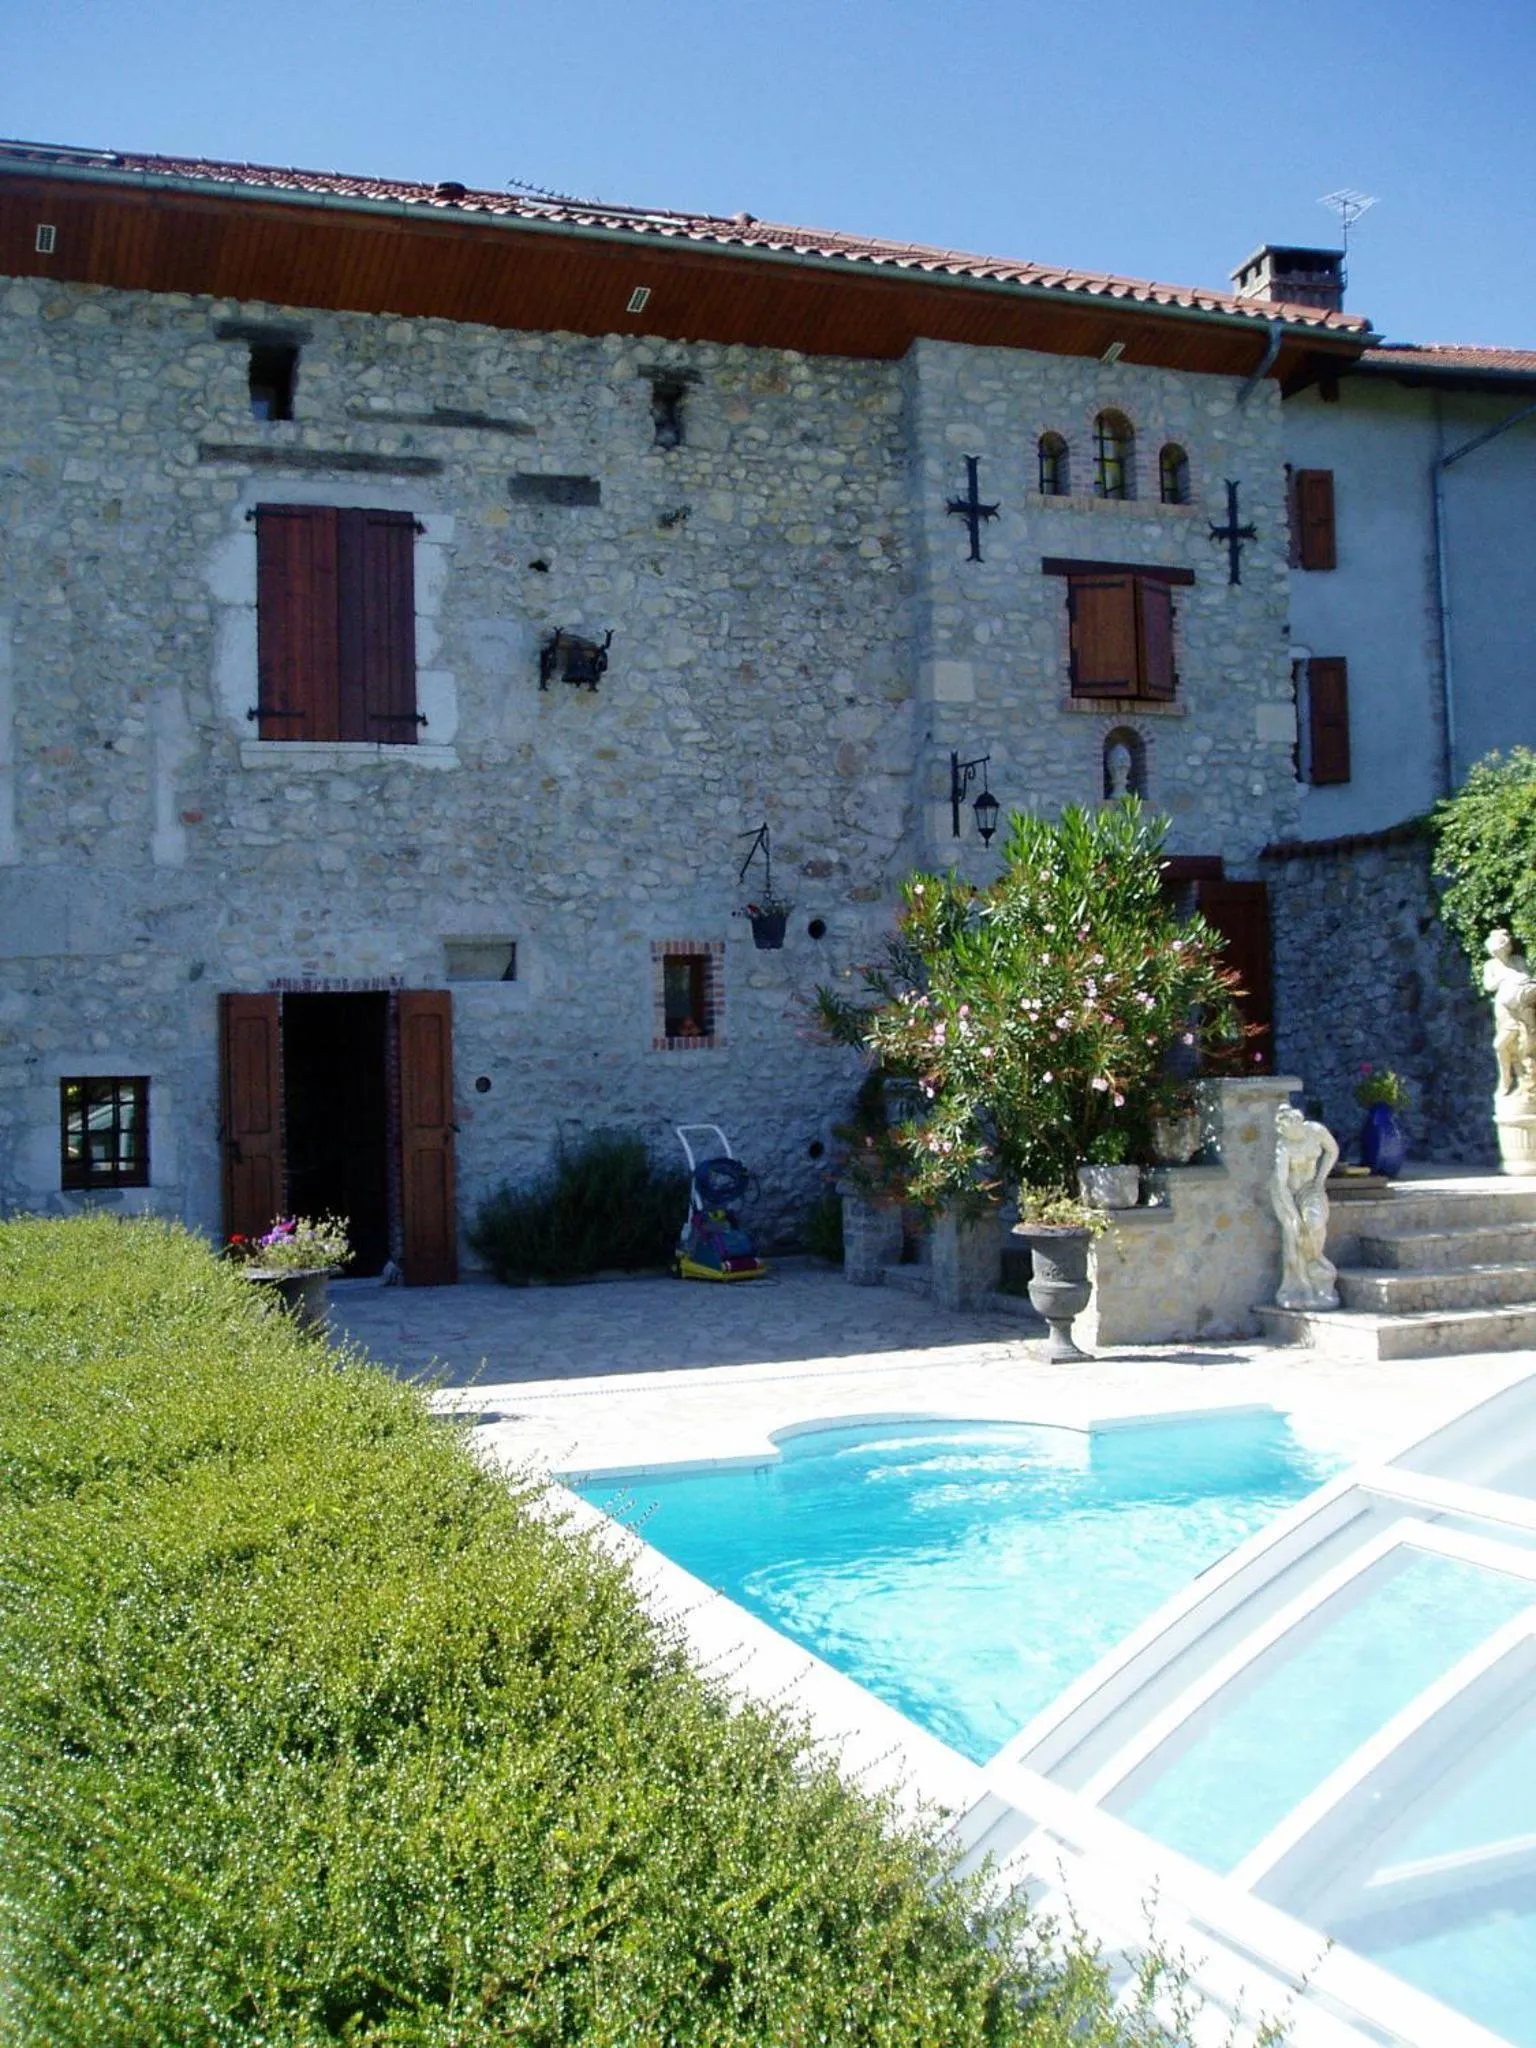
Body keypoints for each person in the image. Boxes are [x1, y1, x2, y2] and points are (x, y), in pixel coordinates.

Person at [1271, 1105, 1340, 1311]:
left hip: (1310, 1188)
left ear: (1298, 1122)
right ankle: (1300, 1286)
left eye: (1291, 1128)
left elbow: (1332, 1150)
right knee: (1295, 1234)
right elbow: (1281, 1185)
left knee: (1315, 1224)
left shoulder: (1316, 1131)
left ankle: (1318, 1264)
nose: (1289, 1133)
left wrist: (1320, 1179)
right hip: (1286, 1194)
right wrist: (1294, 1217)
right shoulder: (1283, 1147)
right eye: (1284, 1131)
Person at [1482, 930, 1536, 1097]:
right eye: (1503, 947)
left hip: (1521, 1006)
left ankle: (1523, 1079)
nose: (1506, 949)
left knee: (1521, 1043)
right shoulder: (1490, 965)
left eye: (1507, 946)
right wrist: (1504, 978)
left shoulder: (1517, 961)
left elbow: (1527, 977)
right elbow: (1488, 985)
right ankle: (1507, 1078)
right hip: (1504, 1008)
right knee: (1503, 1045)